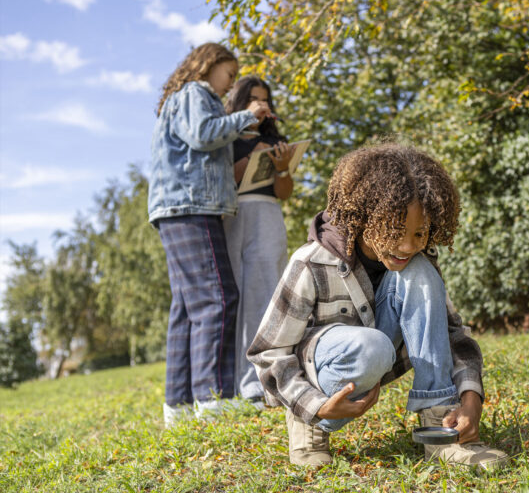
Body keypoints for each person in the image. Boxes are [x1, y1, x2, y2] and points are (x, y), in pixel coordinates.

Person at [247, 141, 509, 470]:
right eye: (395, 230)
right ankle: (308, 428)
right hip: (324, 382)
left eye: (419, 232)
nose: (407, 245)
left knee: (419, 274)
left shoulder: (416, 260)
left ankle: (440, 430)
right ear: (362, 216)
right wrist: (316, 407)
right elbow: (268, 353)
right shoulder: (311, 263)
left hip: (378, 353)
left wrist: (470, 398)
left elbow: (450, 334)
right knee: (372, 347)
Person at [148, 42, 272, 427]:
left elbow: (201, 140)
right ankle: (212, 398)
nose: (229, 84)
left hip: (177, 209)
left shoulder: (181, 97)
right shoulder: (196, 93)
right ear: (209, 64)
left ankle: (179, 405)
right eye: (229, 75)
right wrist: (243, 117)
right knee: (218, 298)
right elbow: (203, 134)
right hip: (192, 207)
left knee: (187, 308)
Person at [223, 77, 295, 405]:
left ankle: (269, 378)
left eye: (265, 99)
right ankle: (240, 380)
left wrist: (281, 168)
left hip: (267, 217)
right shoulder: (226, 135)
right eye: (253, 99)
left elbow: (284, 192)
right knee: (237, 292)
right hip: (234, 217)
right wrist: (254, 152)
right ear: (239, 102)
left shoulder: (275, 139)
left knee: (268, 293)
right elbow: (227, 178)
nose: (260, 105)